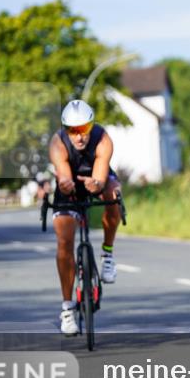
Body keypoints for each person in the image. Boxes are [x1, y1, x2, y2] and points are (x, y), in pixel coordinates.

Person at [48, 100, 122, 336]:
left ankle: (107, 253)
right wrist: (66, 185)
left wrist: (97, 184)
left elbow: (100, 173)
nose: (79, 137)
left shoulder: (103, 139)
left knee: (113, 193)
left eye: (84, 129)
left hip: (97, 180)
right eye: (73, 130)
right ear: (65, 129)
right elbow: (65, 176)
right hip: (69, 185)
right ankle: (67, 309)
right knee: (64, 241)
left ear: (92, 125)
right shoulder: (57, 144)